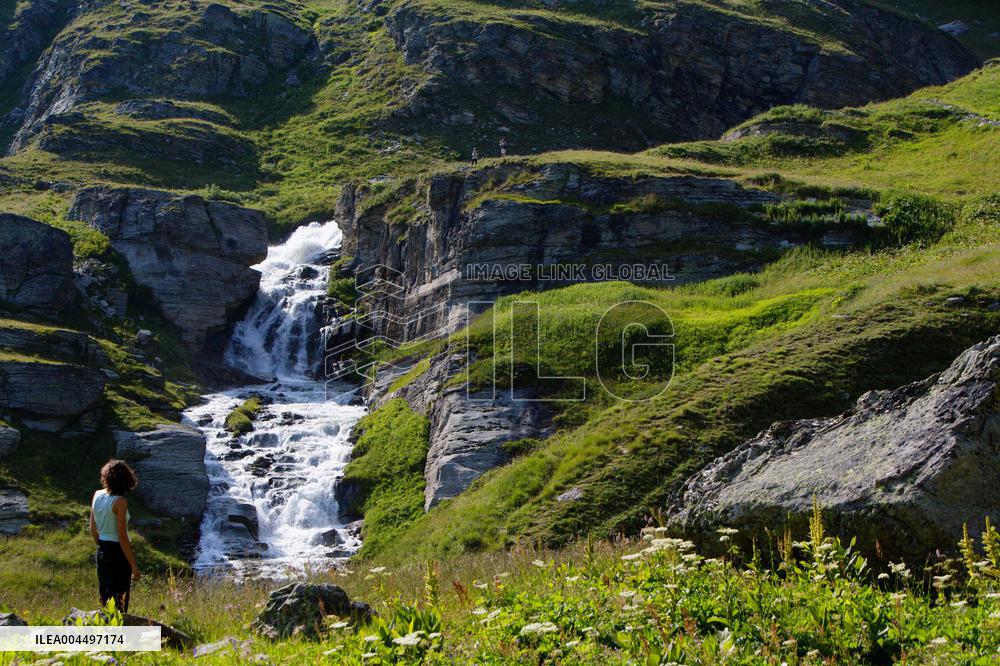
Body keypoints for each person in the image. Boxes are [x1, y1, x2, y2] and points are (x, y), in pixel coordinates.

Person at [89, 459, 141, 612]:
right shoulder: (120, 502)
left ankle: (104, 629)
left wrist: (102, 545)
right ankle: (118, 631)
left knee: (105, 594)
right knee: (120, 597)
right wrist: (134, 565)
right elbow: (122, 536)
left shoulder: (97, 495)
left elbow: (93, 529)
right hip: (118, 553)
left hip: (102, 549)